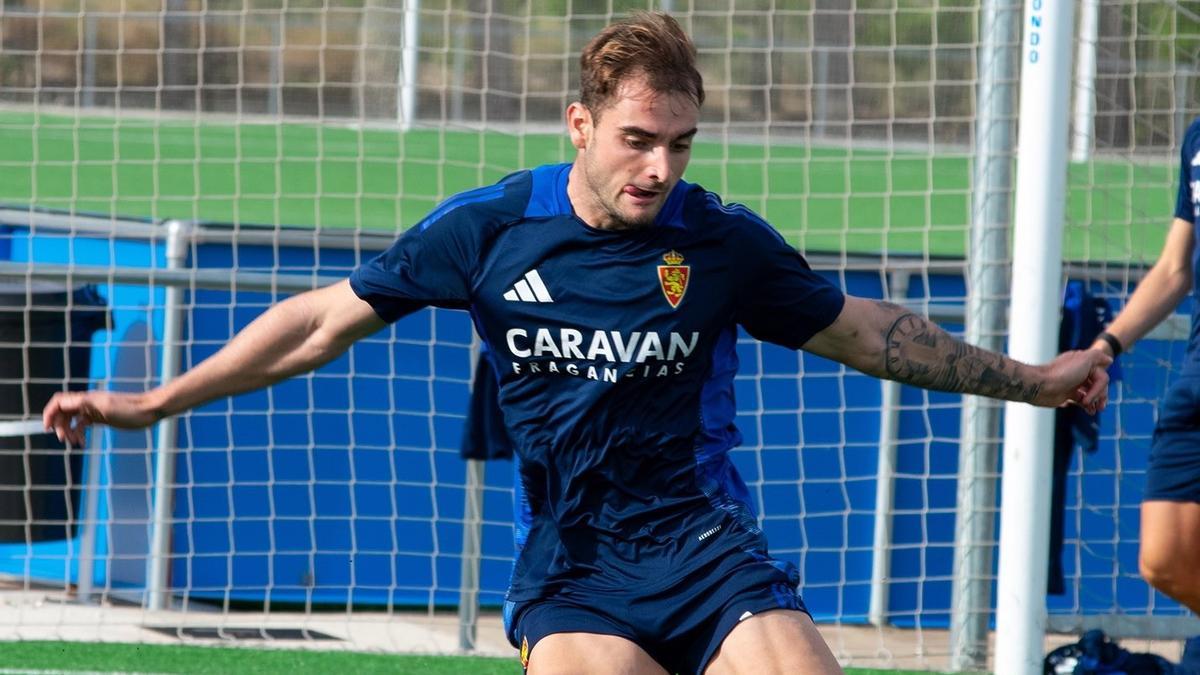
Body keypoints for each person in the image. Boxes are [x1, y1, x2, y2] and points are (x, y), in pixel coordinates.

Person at [44, 12, 1110, 675]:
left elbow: (871, 333)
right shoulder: (492, 229)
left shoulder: (720, 240)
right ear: (580, 125)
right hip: (576, 569)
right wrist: (148, 405)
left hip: (706, 550)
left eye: (680, 145)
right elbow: (318, 323)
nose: (659, 169)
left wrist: (1035, 381)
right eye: (638, 140)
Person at [1089, 116, 1200, 637]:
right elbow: (1176, 268)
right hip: (1196, 381)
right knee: (1163, 559)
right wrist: (1105, 347)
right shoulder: (1198, 138)